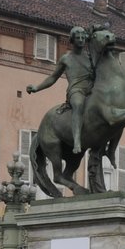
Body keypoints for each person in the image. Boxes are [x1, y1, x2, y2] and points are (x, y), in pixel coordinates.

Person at [25, 25, 96, 154]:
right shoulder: (66, 59)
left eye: (82, 37)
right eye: (77, 37)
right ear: (72, 40)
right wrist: (36, 88)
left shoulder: (90, 57)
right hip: (76, 90)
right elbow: (53, 78)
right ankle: (77, 141)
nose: (80, 40)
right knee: (78, 105)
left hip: (92, 90)